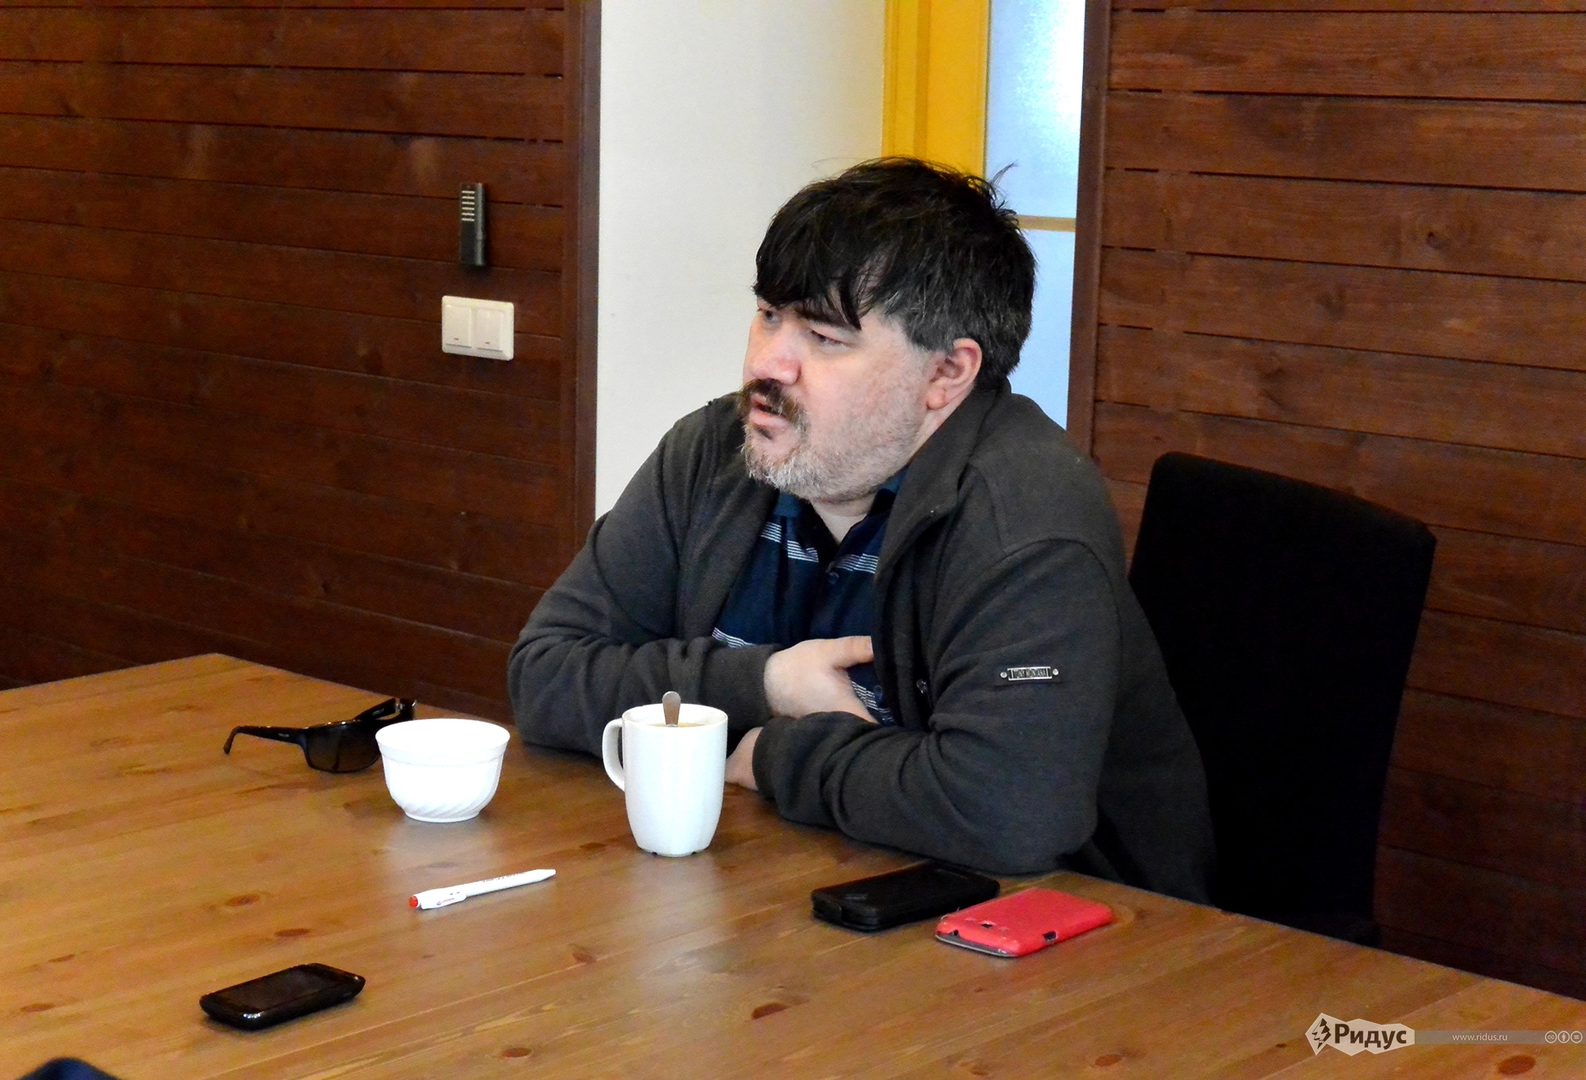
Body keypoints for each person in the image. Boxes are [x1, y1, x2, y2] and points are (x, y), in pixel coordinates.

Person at [508, 158, 1213, 900]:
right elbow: (545, 676)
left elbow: (1009, 812)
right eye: (769, 315)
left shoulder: (1027, 516)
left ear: (947, 374)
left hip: (1076, 933)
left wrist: (777, 755)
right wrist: (765, 684)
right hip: (786, 885)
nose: (768, 364)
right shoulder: (714, 454)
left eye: (824, 336)